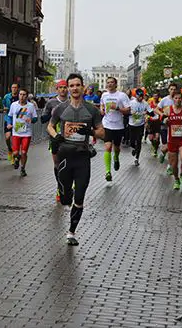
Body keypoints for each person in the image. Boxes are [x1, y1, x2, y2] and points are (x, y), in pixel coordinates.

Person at [47, 73, 105, 246]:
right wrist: (56, 135)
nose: (74, 88)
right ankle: (66, 193)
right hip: (65, 156)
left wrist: (91, 132)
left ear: (83, 87)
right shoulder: (60, 108)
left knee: (79, 197)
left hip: (82, 158)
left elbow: (102, 132)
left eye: (77, 85)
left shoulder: (91, 110)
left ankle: (71, 233)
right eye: (71, 85)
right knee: (65, 199)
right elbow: (50, 125)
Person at [41, 79, 68, 202]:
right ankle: (59, 187)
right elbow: (43, 119)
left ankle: (68, 183)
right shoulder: (51, 102)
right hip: (55, 137)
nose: (63, 89)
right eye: (60, 87)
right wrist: (51, 114)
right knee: (57, 164)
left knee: (69, 162)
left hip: (69, 138)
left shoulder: (71, 102)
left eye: (65, 87)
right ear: (57, 89)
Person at [99, 77, 131, 182]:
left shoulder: (122, 95)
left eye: (112, 82)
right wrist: (102, 110)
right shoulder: (104, 95)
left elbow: (128, 110)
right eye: (108, 82)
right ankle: (108, 172)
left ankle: (116, 158)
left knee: (116, 148)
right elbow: (102, 105)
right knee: (108, 147)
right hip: (107, 124)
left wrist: (117, 108)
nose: (109, 84)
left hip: (118, 126)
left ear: (116, 84)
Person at [6, 89, 39, 177]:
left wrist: (31, 120)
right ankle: (17, 158)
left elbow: (36, 118)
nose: (22, 96)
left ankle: (23, 168)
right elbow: (9, 116)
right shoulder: (14, 105)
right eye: (20, 94)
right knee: (16, 153)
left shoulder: (31, 106)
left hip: (26, 133)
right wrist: (9, 123)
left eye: (24, 94)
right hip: (16, 132)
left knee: (24, 152)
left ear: (27, 96)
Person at [161, 90, 182, 190]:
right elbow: (162, 119)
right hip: (172, 140)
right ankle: (176, 179)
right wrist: (165, 120)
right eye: (176, 98)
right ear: (173, 99)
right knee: (173, 165)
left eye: (179, 98)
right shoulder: (168, 109)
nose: (178, 100)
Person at [155, 83, 179, 173]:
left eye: (174, 89)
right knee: (166, 146)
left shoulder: (178, 100)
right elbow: (156, 109)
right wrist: (162, 114)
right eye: (171, 89)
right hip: (164, 126)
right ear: (168, 90)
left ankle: (169, 166)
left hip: (175, 127)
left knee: (172, 147)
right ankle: (162, 153)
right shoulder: (164, 100)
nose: (173, 91)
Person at [127, 89, 152, 166]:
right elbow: (125, 112)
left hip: (140, 126)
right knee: (131, 142)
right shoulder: (131, 103)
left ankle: (136, 159)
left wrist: (146, 112)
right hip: (131, 125)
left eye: (142, 96)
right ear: (136, 95)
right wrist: (130, 113)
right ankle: (134, 148)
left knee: (139, 142)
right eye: (139, 96)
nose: (141, 98)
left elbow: (151, 112)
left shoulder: (145, 103)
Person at [2, 83, 20, 164]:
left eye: (15, 87)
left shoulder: (20, 97)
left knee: (15, 139)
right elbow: (2, 105)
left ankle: (14, 156)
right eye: (12, 87)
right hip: (8, 118)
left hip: (18, 120)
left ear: (18, 88)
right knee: (7, 137)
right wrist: (3, 108)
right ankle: (10, 149)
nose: (14, 89)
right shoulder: (6, 97)